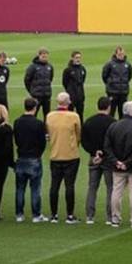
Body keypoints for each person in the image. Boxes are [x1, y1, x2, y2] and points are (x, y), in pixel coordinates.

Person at [105, 100, 132, 227]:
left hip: (118, 165)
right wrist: (127, 163)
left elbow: (107, 147)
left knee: (116, 191)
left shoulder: (113, 126)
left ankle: (115, 218)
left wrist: (116, 162)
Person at [46, 92, 82, 223]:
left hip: (55, 155)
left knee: (54, 185)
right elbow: (78, 136)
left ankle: (54, 215)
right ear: (68, 102)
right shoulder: (74, 116)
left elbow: (49, 133)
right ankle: (70, 215)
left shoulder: (50, 116)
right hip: (71, 155)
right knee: (69, 185)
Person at [13, 97, 47, 223]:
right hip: (33, 158)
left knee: (20, 188)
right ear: (35, 108)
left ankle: (19, 214)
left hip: (21, 157)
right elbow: (42, 142)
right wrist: (38, 154)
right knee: (35, 188)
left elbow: (16, 139)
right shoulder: (38, 123)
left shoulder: (17, 122)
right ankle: (36, 214)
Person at [83, 96, 116, 225]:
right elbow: (114, 141)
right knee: (110, 188)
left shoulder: (89, 121)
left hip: (94, 158)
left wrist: (94, 152)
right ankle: (109, 217)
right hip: (108, 158)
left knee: (92, 187)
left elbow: (84, 142)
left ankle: (90, 216)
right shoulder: (113, 122)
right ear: (108, 107)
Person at [102, 47, 132, 120]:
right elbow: (104, 76)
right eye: (119, 54)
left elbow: (129, 76)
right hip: (112, 92)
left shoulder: (127, 65)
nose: (121, 56)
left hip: (123, 92)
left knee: (122, 112)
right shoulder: (110, 64)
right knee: (111, 112)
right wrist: (110, 84)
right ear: (116, 54)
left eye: (122, 54)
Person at [24, 48, 54, 120]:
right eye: (43, 56)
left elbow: (50, 79)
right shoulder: (33, 67)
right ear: (39, 56)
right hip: (36, 96)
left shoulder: (49, 67)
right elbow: (27, 80)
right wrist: (32, 91)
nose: (44, 58)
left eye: (46, 56)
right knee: (34, 114)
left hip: (46, 95)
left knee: (47, 115)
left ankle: (46, 130)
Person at [63, 51, 87, 117]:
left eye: (79, 58)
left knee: (80, 115)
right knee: (70, 115)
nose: (78, 59)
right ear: (72, 58)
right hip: (71, 96)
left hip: (80, 96)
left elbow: (82, 81)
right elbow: (65, 82)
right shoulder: (67, 70)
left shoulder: (83, 69)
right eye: (76, 58)